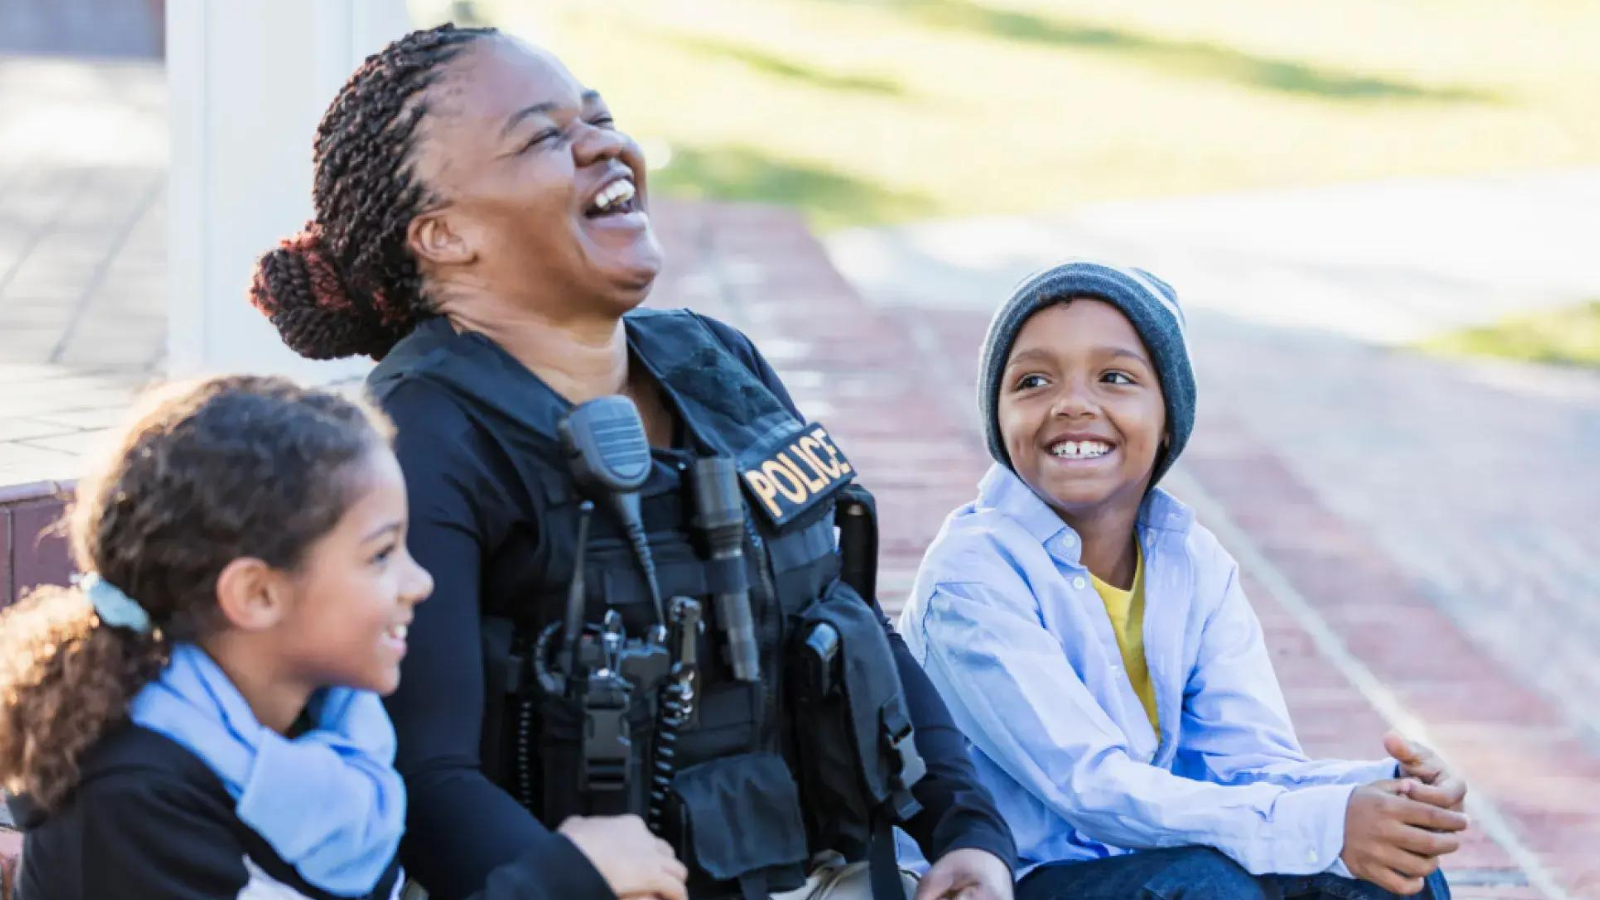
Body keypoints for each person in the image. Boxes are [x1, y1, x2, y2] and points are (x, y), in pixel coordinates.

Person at [247, 23, 1016, 900]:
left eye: (600, 118)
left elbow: (844, 617)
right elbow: (424, 775)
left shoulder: (716, 363)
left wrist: (968, 832)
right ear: (445, 235)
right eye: (544, 137)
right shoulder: (417, 442)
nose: (604, 144)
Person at [897, 261, 1469, 900]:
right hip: (1015, 876)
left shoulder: (1193, 562)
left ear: (1169, 416)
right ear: (1000, 421)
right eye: (1032, 381)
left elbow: (1246, 766)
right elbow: (1091, 788)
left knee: (1394, 876)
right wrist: (1328, 823)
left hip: (1148, 856)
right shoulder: (972, 577)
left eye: (1115, 377)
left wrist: (1388, 796)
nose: (1072, 403)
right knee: (1208, 888)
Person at [0, 376, 663, 900]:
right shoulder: (133, 798)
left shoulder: (326, 729)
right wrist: (566, 878)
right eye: (381, 555)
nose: (420, 583)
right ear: (257, 595)